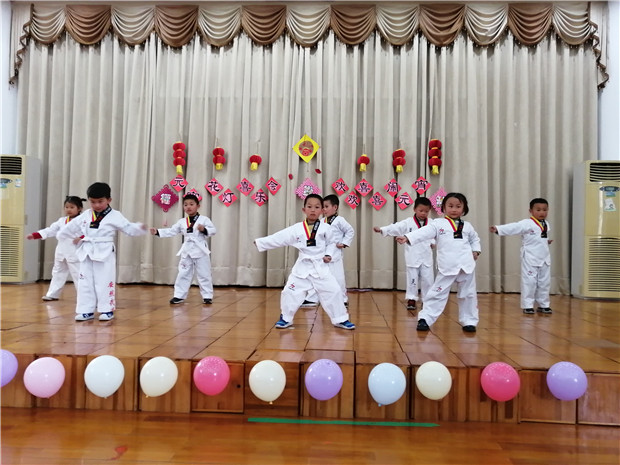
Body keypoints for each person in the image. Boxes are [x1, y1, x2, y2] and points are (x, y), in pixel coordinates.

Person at [254, 194, 356, 330]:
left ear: (322, 211)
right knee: (289, 291)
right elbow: (280, 237)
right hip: (302, 267)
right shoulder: (297, 228)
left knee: (334, 290)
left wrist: (328, 254)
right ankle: (286, 318)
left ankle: (341, 319)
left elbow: (332, 243)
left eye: (317, 207)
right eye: (309, 207)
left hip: (320, 267)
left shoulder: (326, 228)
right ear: (304, 210)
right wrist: (261, 242)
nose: (313, 210)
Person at [58, 182, 147, 321]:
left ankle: (107, 309)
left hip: (104, 250)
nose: (97, 205)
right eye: (93, 202)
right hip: (87, 250)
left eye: (100, 201)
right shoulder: (86, 215)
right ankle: (86, 310)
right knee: (85, 282)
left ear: (109, 200)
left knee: (104, 281)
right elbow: (70, 228)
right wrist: (69, 236)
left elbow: (128, 228)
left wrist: (141, 228)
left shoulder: (115, 215)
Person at [396, 192, 481, 332]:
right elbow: (424, 232)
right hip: (447, 265)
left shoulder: (468, 226)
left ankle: (469, 321)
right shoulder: (438, 224)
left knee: (468, 295)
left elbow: (474, 239)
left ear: (464, 209)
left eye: (458, 206)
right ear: (444, 208)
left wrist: (476, 251)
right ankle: (425, 319)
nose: (454, 209)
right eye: (450, 206)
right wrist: (408, 237)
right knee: (437, 293)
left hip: (466, 265)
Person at [150, 193, 216, 305]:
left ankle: (207, 296)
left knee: (204, 273)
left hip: (200, 250)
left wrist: (204, 229)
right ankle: (179, 295)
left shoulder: (204, 219)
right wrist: (158, 232)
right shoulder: (181, 222)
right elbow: (172, 231)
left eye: (191, 204)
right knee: (183, 273)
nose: (188, 207)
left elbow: (213, 230)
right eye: (185, 205)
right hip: (187, 250)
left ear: (198, 206)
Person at [490, 198, 553, 315]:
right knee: (529, 282)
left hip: (544, 258)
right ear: (531, 211)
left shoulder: (546, 224)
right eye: (538, 210)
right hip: (530, 257)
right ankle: (528, 305)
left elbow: (540, 237)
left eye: (545, 210)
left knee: (544, 282)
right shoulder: (527, 223)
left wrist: (546, 241)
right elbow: (514, 227)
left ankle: (544, 304)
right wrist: (498, 229)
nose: (542, 212)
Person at [374, 197, 434, 311]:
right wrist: (382, 229)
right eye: (421, 210)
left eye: (426, 211)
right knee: (412, 279)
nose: (423, 213)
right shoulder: (408, 222)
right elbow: (395, 227)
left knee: (428, 280)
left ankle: (427, 300)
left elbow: (435, 235)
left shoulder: (431, 223)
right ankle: (412, 298)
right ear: (414, 209)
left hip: (426, 256)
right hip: (412, 256)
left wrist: (433, 242)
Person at [27, 195, 85, 301]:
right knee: (57, 273)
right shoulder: (61, 221)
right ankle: (52, 294)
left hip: (75, 252)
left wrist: (81, 238)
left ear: (79, 208)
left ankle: (85, 297)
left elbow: (90, 233)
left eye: (72, 207)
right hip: (61, 252)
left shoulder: (83, 221)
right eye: (66, 207)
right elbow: (51, 230)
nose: (69, 209)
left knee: (79, 274)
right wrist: (35, 235)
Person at [305, 194, 354, 307]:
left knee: (338, 278)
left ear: (335, 207)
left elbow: (350, 231)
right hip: (322, 254)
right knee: (317, 275)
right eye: (323, 207)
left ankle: (342, 299)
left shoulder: (339, 220)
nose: (324, 209)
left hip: (335, 253)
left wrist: (344, 243)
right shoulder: (321, 221)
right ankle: (313, 298)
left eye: (326, 207)